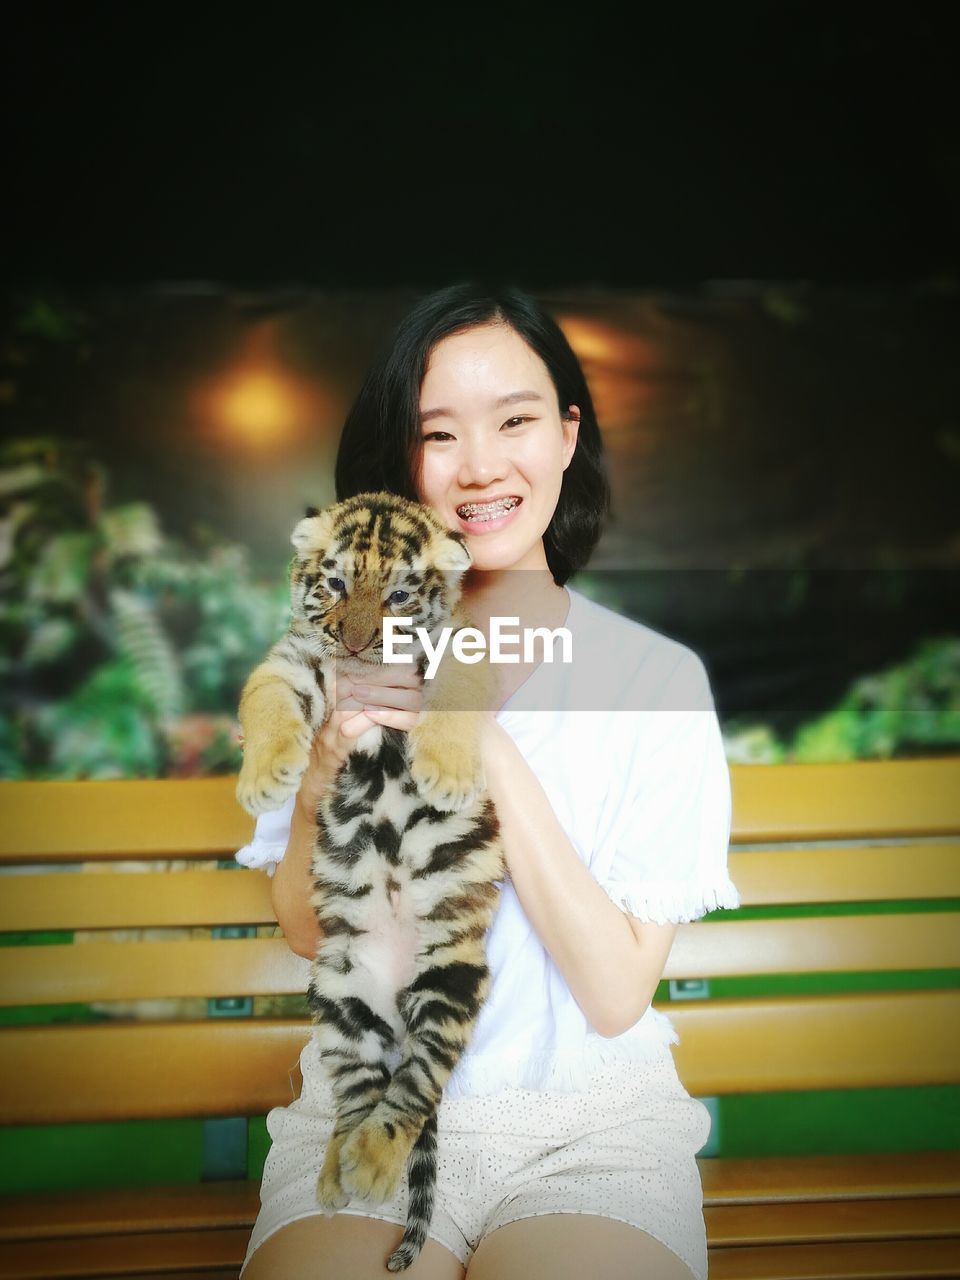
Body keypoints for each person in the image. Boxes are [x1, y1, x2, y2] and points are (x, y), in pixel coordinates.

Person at [236, 283, 740, 1280]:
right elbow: (306, 924)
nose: (480, 466)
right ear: (403, 464)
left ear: (564, 434)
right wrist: (314, 790)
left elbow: (612, 993)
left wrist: (487, 745)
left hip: (589, 1131)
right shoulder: (341, 658)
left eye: (513, 420)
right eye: (438, 434)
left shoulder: (654, 680)